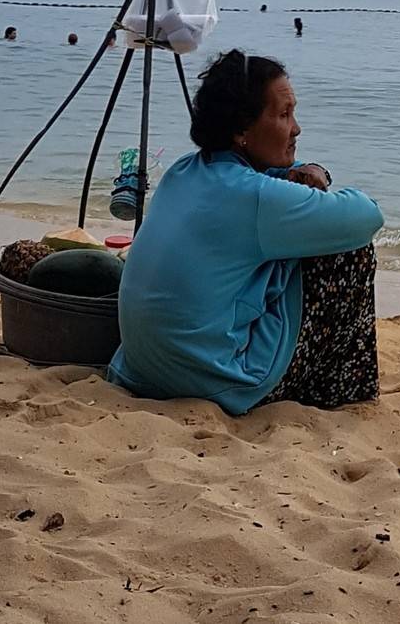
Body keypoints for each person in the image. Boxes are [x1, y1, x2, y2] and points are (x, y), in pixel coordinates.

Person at [108, 50, 384, 413]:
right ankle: (342, 388)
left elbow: (262, 181)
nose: (296, 128)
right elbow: (367, 216)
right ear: (241, 129)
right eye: (284, 115)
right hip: (213, 383)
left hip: (139, 369)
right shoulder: (255, 198)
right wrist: (317, 180)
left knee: (293, 241)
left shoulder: (183, 171)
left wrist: (304, 169)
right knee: (350, 251)